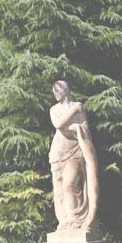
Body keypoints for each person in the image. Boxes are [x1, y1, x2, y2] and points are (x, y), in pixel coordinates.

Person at [49, 80, 100, 230]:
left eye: (57, 91)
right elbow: (58, 124)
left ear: (64, 91)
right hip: (58, 152)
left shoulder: (79, 107)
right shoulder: (55, 109)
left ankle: (75, 219)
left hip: (76, 150)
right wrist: (73, 115)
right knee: (59, 190)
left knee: (69, 183)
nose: (55, 94)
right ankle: (65, 220)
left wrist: (75, 127)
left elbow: (85, 128)